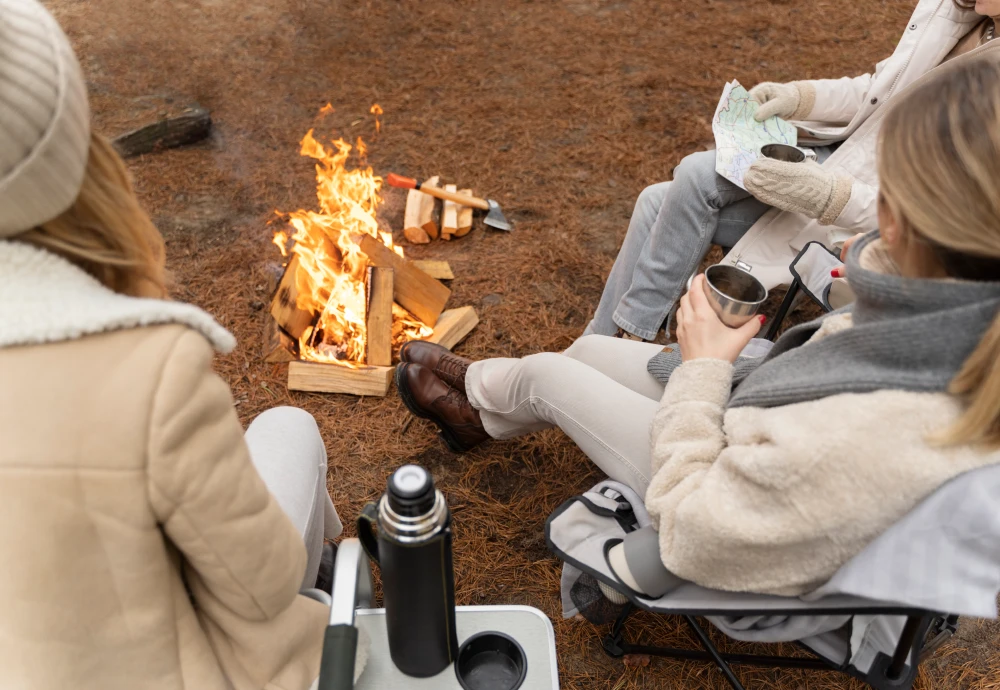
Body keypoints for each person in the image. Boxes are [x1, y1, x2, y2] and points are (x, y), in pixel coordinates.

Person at [396, 52, 1000, 595]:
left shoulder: (863, 434)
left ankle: (476, 399)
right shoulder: (957, 317)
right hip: (763, 428)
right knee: (587, 354)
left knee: (551, 377)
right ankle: (480, 414)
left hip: (717, 487)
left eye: (887, 197)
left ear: (906, 221)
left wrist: (706, 369)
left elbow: (696, 529)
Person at [0, 1, 352, 687]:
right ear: (71, 158)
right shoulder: (147, 368)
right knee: (289, 426)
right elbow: (262, 587)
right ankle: (339, 567)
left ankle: (337, 557)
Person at [586, 0, 997, 342]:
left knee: (678, 188)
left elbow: (955, 224)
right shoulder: (963, 13)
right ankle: (608, 341)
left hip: (871, 217)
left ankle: (619, 341)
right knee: (657, 197)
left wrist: (831, 197)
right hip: (838, 161)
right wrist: (799, 98)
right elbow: (878, 88)